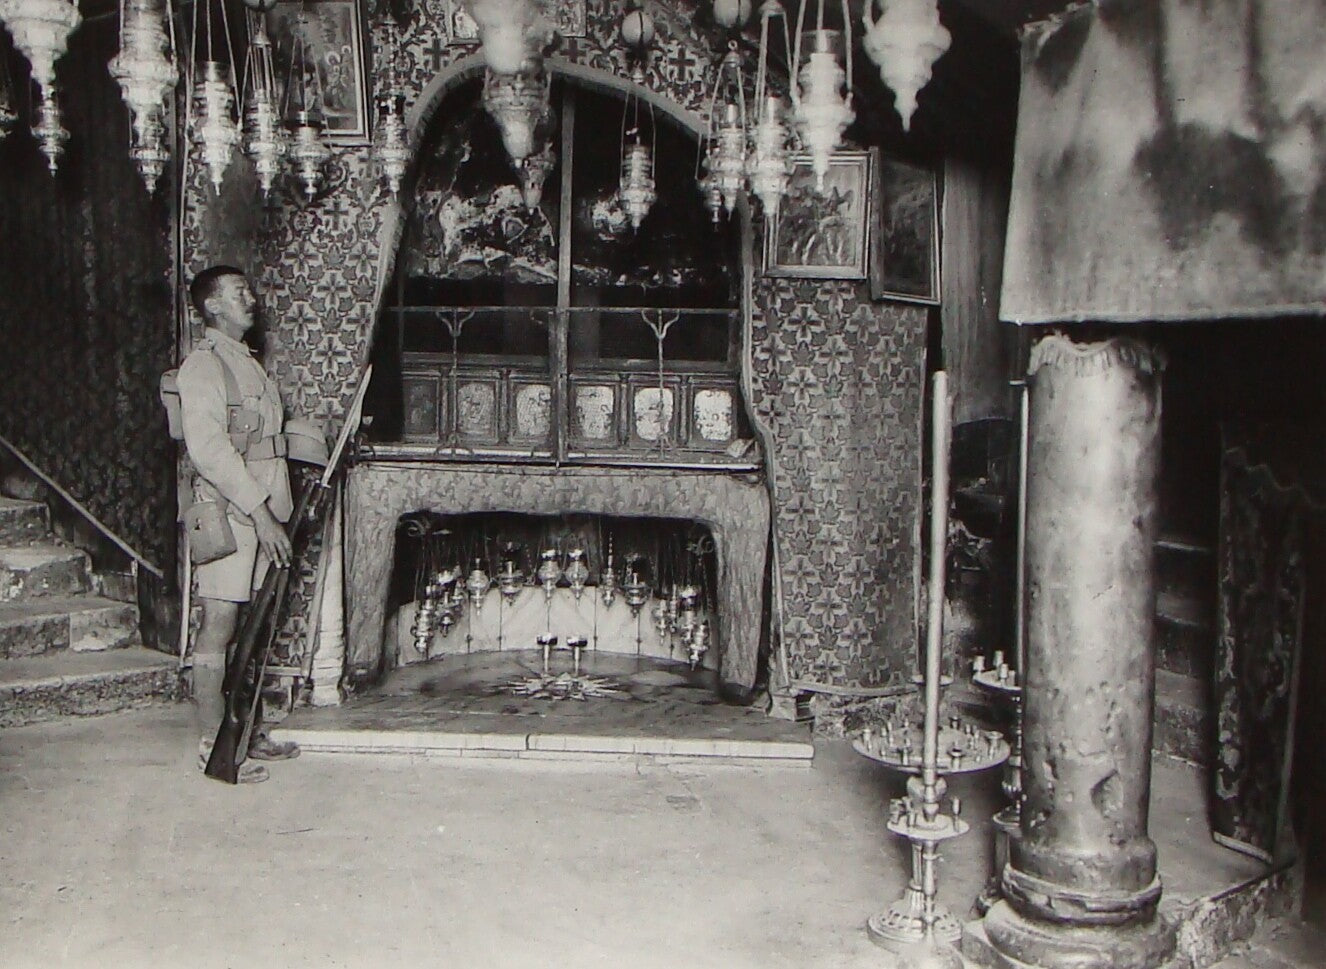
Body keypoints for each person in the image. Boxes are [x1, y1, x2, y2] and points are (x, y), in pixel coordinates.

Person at [177, 265, 300, 783]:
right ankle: (215, 748)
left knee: (252, 629)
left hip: (265, 512)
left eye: (248, 289)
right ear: (212, 307)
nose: (250, 299)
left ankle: (245, 730)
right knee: (220, 628)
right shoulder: (202, 366)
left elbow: (264, 444)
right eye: (237, 293)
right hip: (233, 515)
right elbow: (210, 452)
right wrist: (260, 513)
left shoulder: (246, 362)